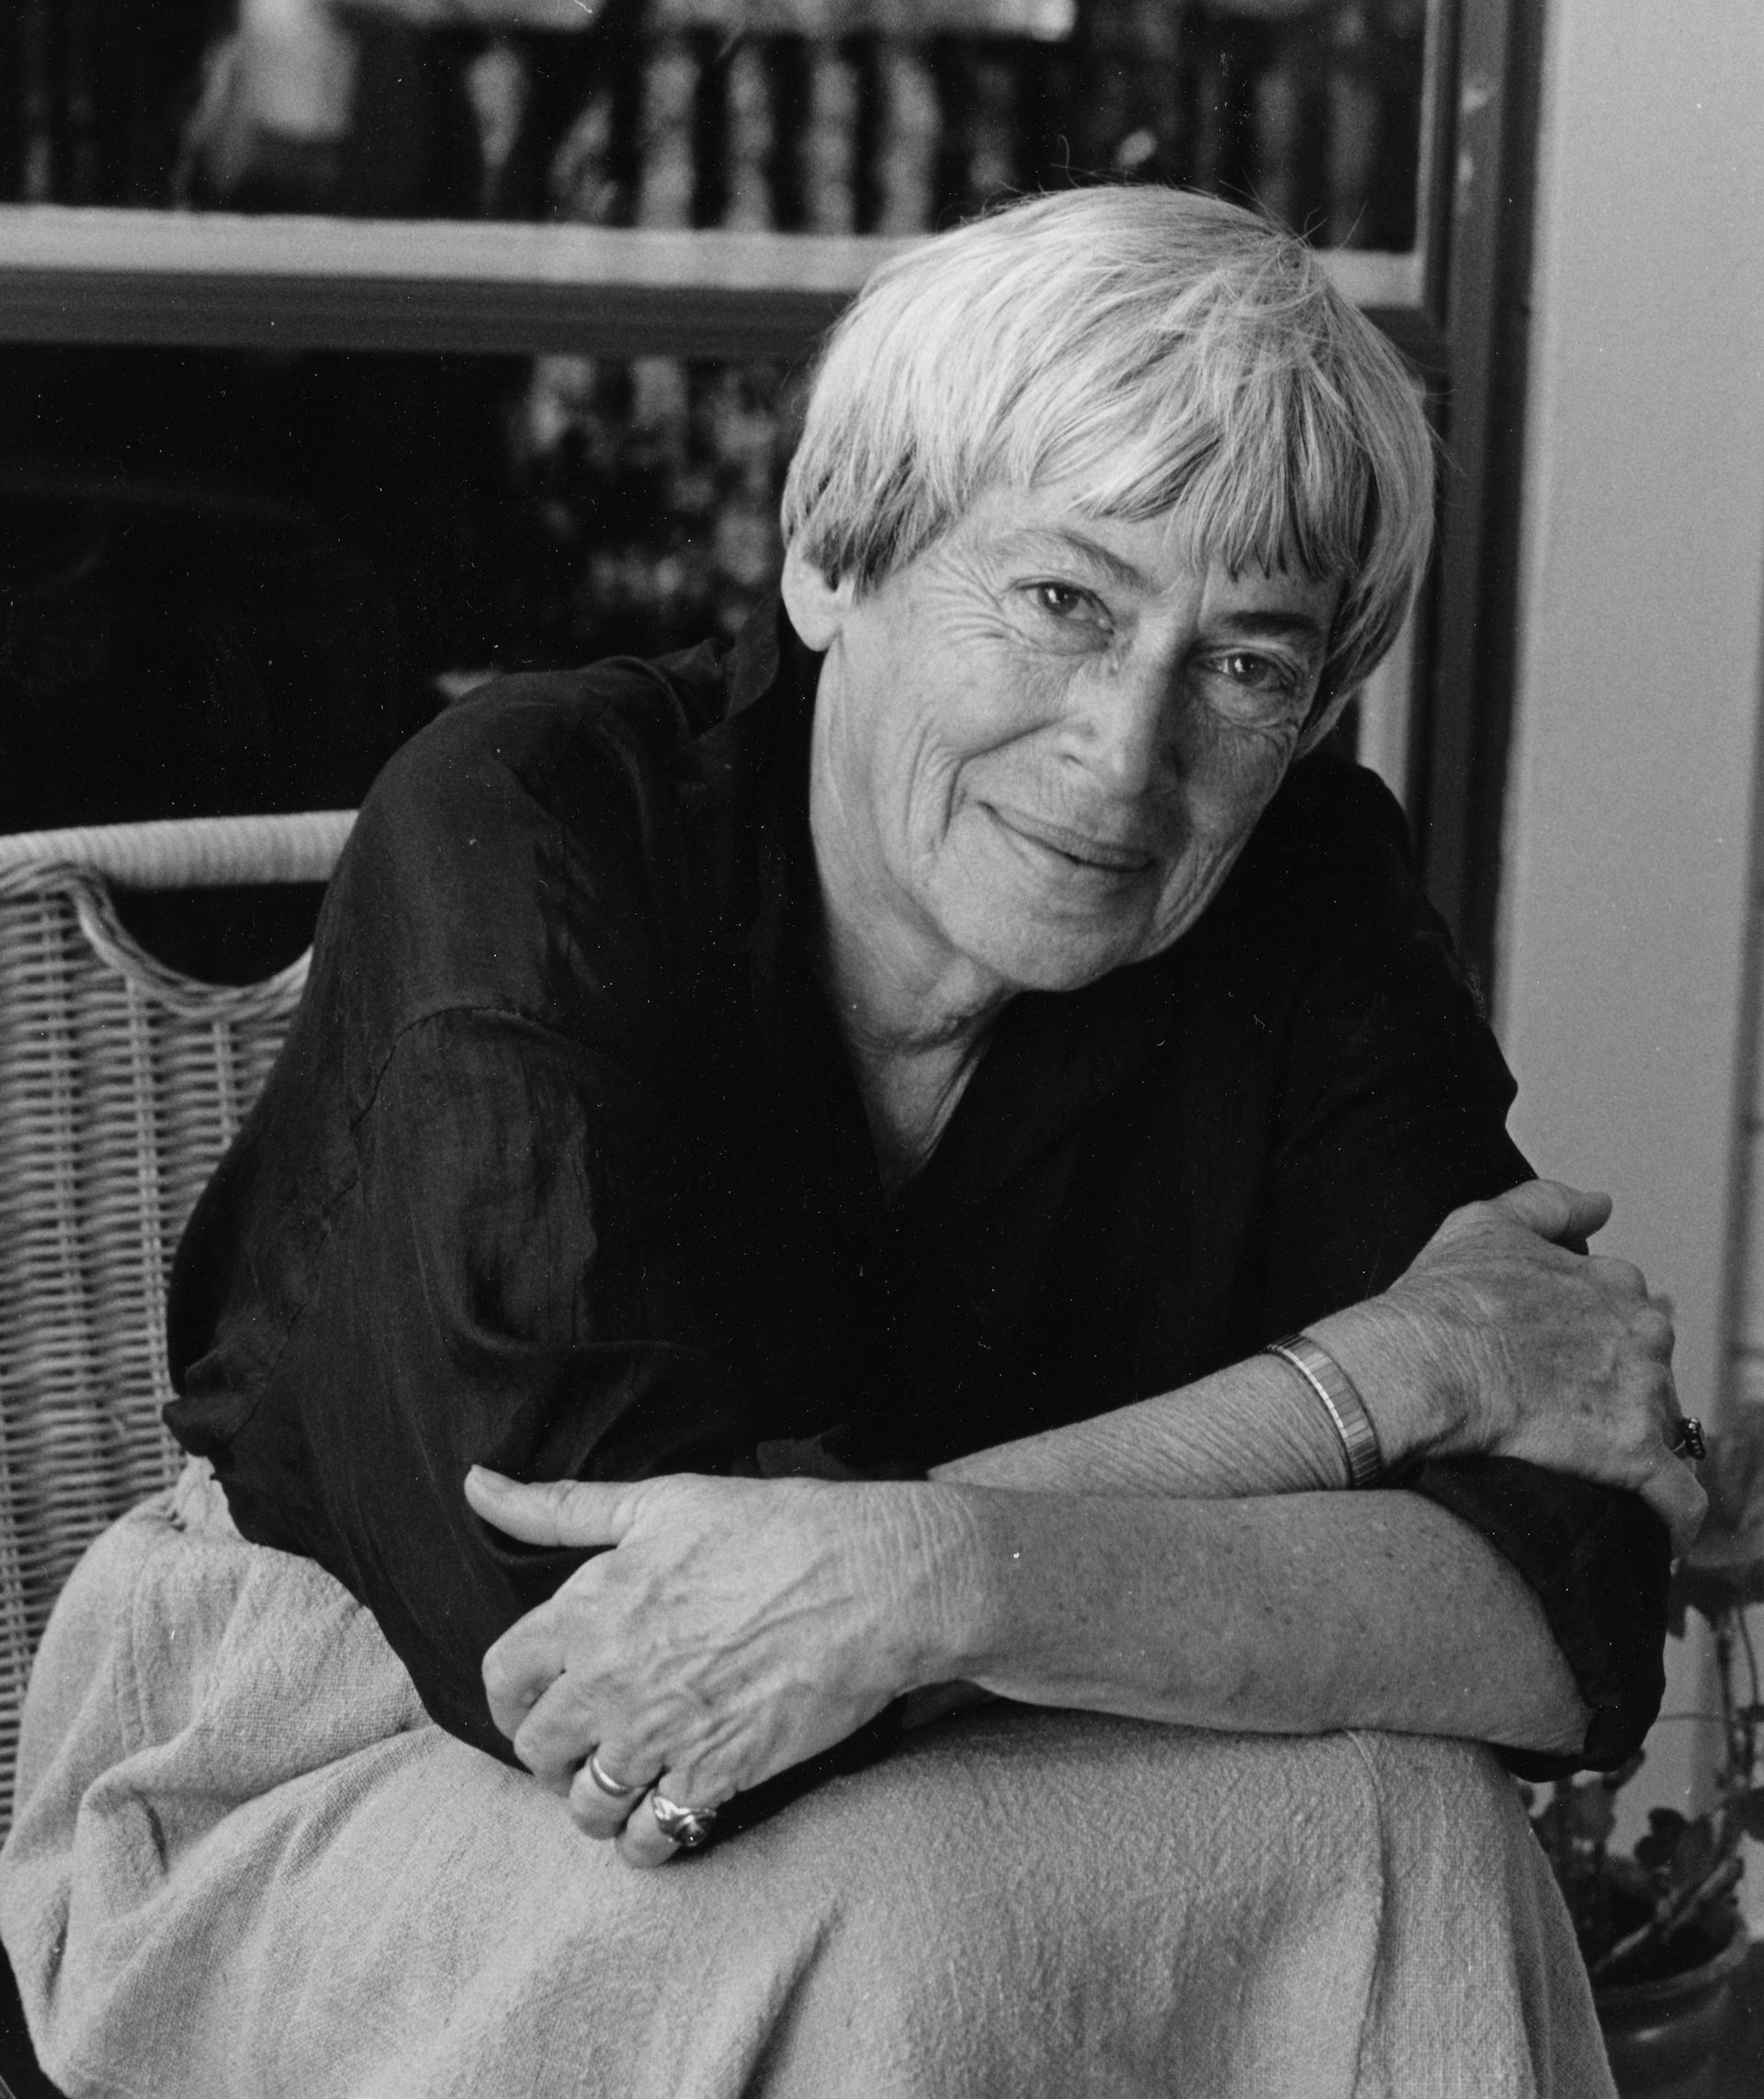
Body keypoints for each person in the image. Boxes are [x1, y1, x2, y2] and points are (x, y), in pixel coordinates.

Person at [0, 186, 1701, 2096]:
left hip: (984, 1732)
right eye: (1063, 601)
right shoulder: (532, 826)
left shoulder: (1303, 891)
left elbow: (1562, 1607)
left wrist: (941, 1581)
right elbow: (611, 1665)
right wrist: (1366, 1387)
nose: (1125, 753)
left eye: (1248, 664)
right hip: (345, 1750)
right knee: (923, 1923)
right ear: (831, 554)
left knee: (1412, 1837)